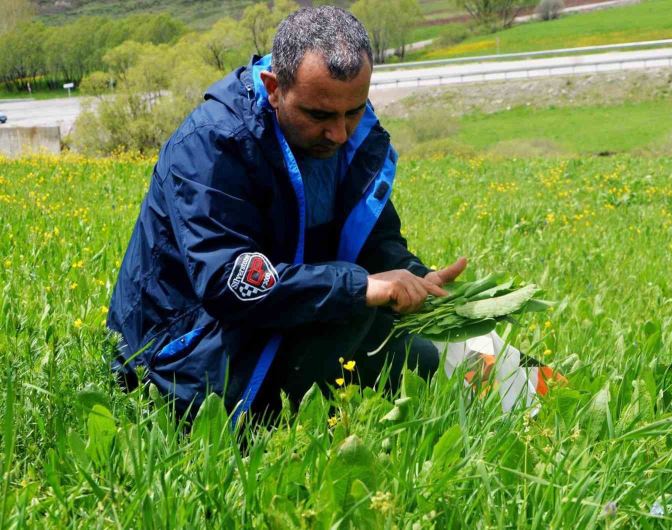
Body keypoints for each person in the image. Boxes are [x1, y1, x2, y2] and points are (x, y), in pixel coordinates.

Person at [107, 6, 467, 422]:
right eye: (320, 115)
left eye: (354, 110)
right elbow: (229, 281)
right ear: (273, 87)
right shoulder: (214, 145)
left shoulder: (355, 136)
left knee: (422, 360)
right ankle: (277, 437)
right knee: (354, 317)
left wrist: (410, 275)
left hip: (288, 312)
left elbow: (375, 241)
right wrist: (359, 288)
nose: (340, 133)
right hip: (181, 349)